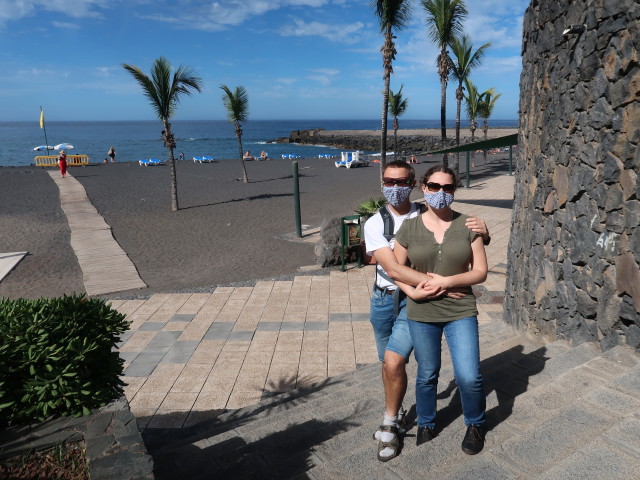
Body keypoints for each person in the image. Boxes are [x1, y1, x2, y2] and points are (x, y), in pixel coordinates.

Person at [364, 161, 490, 462]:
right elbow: (394, 267)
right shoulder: (375, 223)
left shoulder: (427, 211)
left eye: (401, 181)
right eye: (389, 182)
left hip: (425, 302)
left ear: (412, 184)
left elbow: (467, 246)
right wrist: (439, 285)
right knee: (392, 364)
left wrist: (484, 232)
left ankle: (398, 422)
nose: (395, 188)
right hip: (392, 298)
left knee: (453, 373)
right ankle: (399, 417)